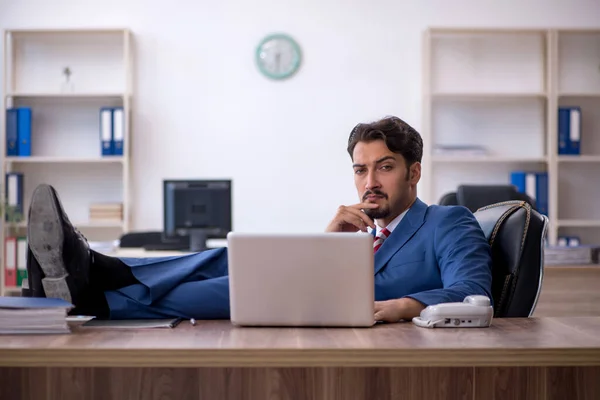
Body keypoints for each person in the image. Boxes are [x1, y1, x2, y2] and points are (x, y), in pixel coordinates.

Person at [25, 116, 492, 323]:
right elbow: (325, 276)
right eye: (360, 168)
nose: (369, 180)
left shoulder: (447, 221)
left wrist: (402, 306)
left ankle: (94, 283)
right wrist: (326, 243)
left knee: (226, 289)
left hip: (339, 318)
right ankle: (95, 283)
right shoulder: (360, 230)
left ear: (413, 172)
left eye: (384, 167)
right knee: (231, 262)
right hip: (312, 300)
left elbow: (473, 292)